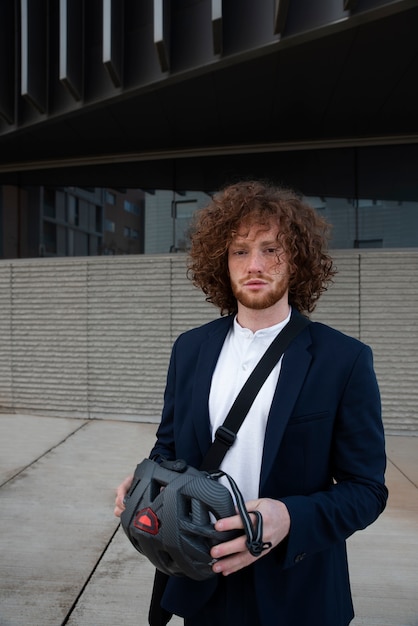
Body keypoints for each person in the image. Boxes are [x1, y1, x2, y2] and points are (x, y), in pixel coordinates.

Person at [115, 180, 388, 626]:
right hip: (201, 579)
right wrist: (147, 480)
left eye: (271, 249)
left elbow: (367, 490)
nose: (255, 264)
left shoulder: (344, 359)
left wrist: (288, 517)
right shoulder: (190, 349)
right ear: (221, 263)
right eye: (240, 251)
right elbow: (168, 450)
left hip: (297, 590)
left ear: (297, 260)